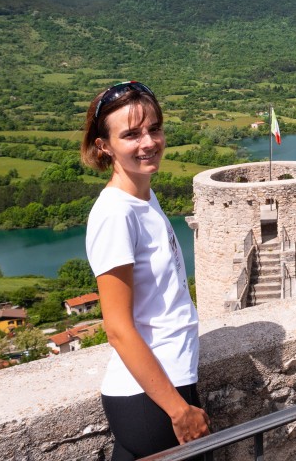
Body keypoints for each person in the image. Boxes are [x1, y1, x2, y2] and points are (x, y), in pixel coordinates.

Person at [81, 81, 210, 460]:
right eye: (131, 134)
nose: (148, 142)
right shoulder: (115, 214)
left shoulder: (143, 196)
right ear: (103, 145)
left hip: (167, 382)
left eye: (154, 129)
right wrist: (178, 410)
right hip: (152, 399)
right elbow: (118, 329)